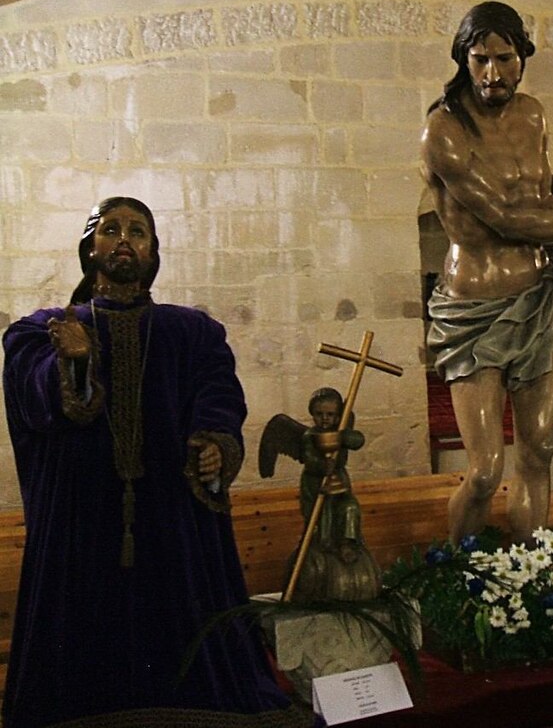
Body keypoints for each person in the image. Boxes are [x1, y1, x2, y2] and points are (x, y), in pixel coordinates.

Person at [2, 197, 304, 727]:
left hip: (174, 515)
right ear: (89, 247)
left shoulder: (192, 332)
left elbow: (219, 392)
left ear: (153, 251)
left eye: (137, 231)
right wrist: (70, 363)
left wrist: (216, 441)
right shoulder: (41, 329)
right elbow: (33, 396)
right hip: (83, 517)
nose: (124, 239)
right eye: (110, 229)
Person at [421, 1, 553, 544]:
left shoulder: (534, 114)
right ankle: (462, 574)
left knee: (539, 449)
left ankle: (527, 574)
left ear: (523, 58)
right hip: (473, 308)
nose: (493, 73)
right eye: (479, 60)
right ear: (462, 61)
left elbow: (537, 199)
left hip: (534, 298)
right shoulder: (443, 130)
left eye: (505, 58)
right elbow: (504, 217)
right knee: (487, 468)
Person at [289, 388, 380, 602]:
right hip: (315, 483)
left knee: (349, 507)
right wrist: (322, 465)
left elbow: (358, 441)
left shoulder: (341, 432)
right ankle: (324, 545)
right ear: (313, 414)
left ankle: (348, 542)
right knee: (323, 514)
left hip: (339, 480)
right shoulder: (310, 436)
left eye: (330, 414)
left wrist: (346, 436)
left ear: (338, 416)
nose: (325, 419)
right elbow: (309, 458)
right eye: (320, 414)